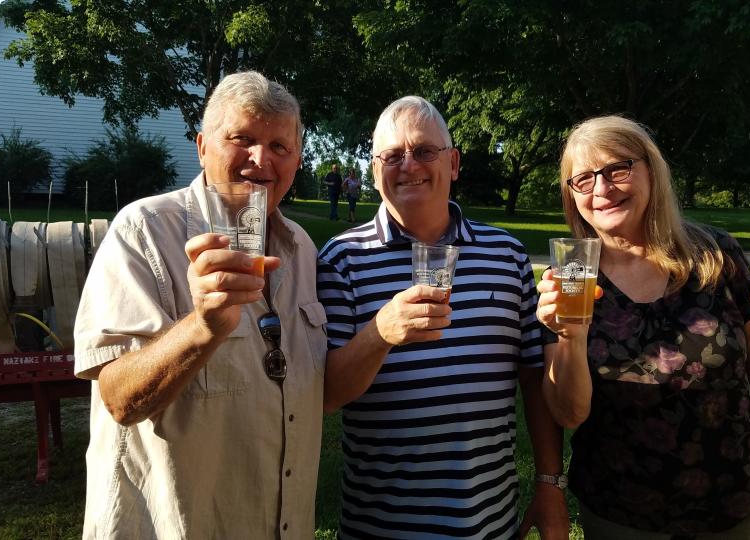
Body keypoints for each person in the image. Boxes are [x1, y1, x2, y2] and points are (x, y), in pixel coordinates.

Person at [537, 115, 750, 539]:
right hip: (622, 513)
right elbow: (569, 413)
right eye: (582, 179)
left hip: (734, 505)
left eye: (618, 169)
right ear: (571, 195)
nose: (602, 189)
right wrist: (572, 336)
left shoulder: (716, 255)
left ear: (652, 171)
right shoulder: (568, 277)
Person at [73, 71, 327, 539]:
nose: (260, 159)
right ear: (202, 146)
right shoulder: (145, 230)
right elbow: (118, 397)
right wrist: (202, 328)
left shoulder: (303, 249)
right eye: (242, 139)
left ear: (295, 160)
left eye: (279, 147)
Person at [317, 96, 570, 539]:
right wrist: (380, 333)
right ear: (375, 171)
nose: (408, 165)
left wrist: (549, 484)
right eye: (392, 155)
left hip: (489, 521)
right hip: (383, 526)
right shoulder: (341, 260)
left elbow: (533, 377)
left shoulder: (506, 255)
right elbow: (323, 396)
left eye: (424, 151)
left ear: (453, 163)